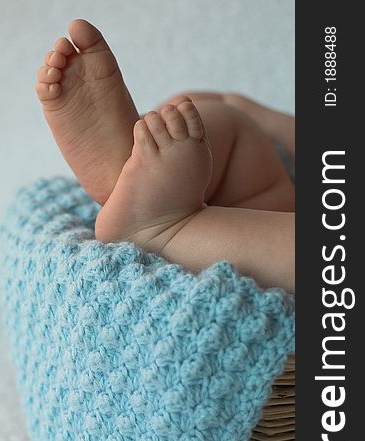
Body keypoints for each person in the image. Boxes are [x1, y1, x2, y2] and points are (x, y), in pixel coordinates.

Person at [35, 19, 295, 293]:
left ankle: (161, 230)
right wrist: (229, 106)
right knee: (235, 126)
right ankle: (129, 165)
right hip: (271, 201)